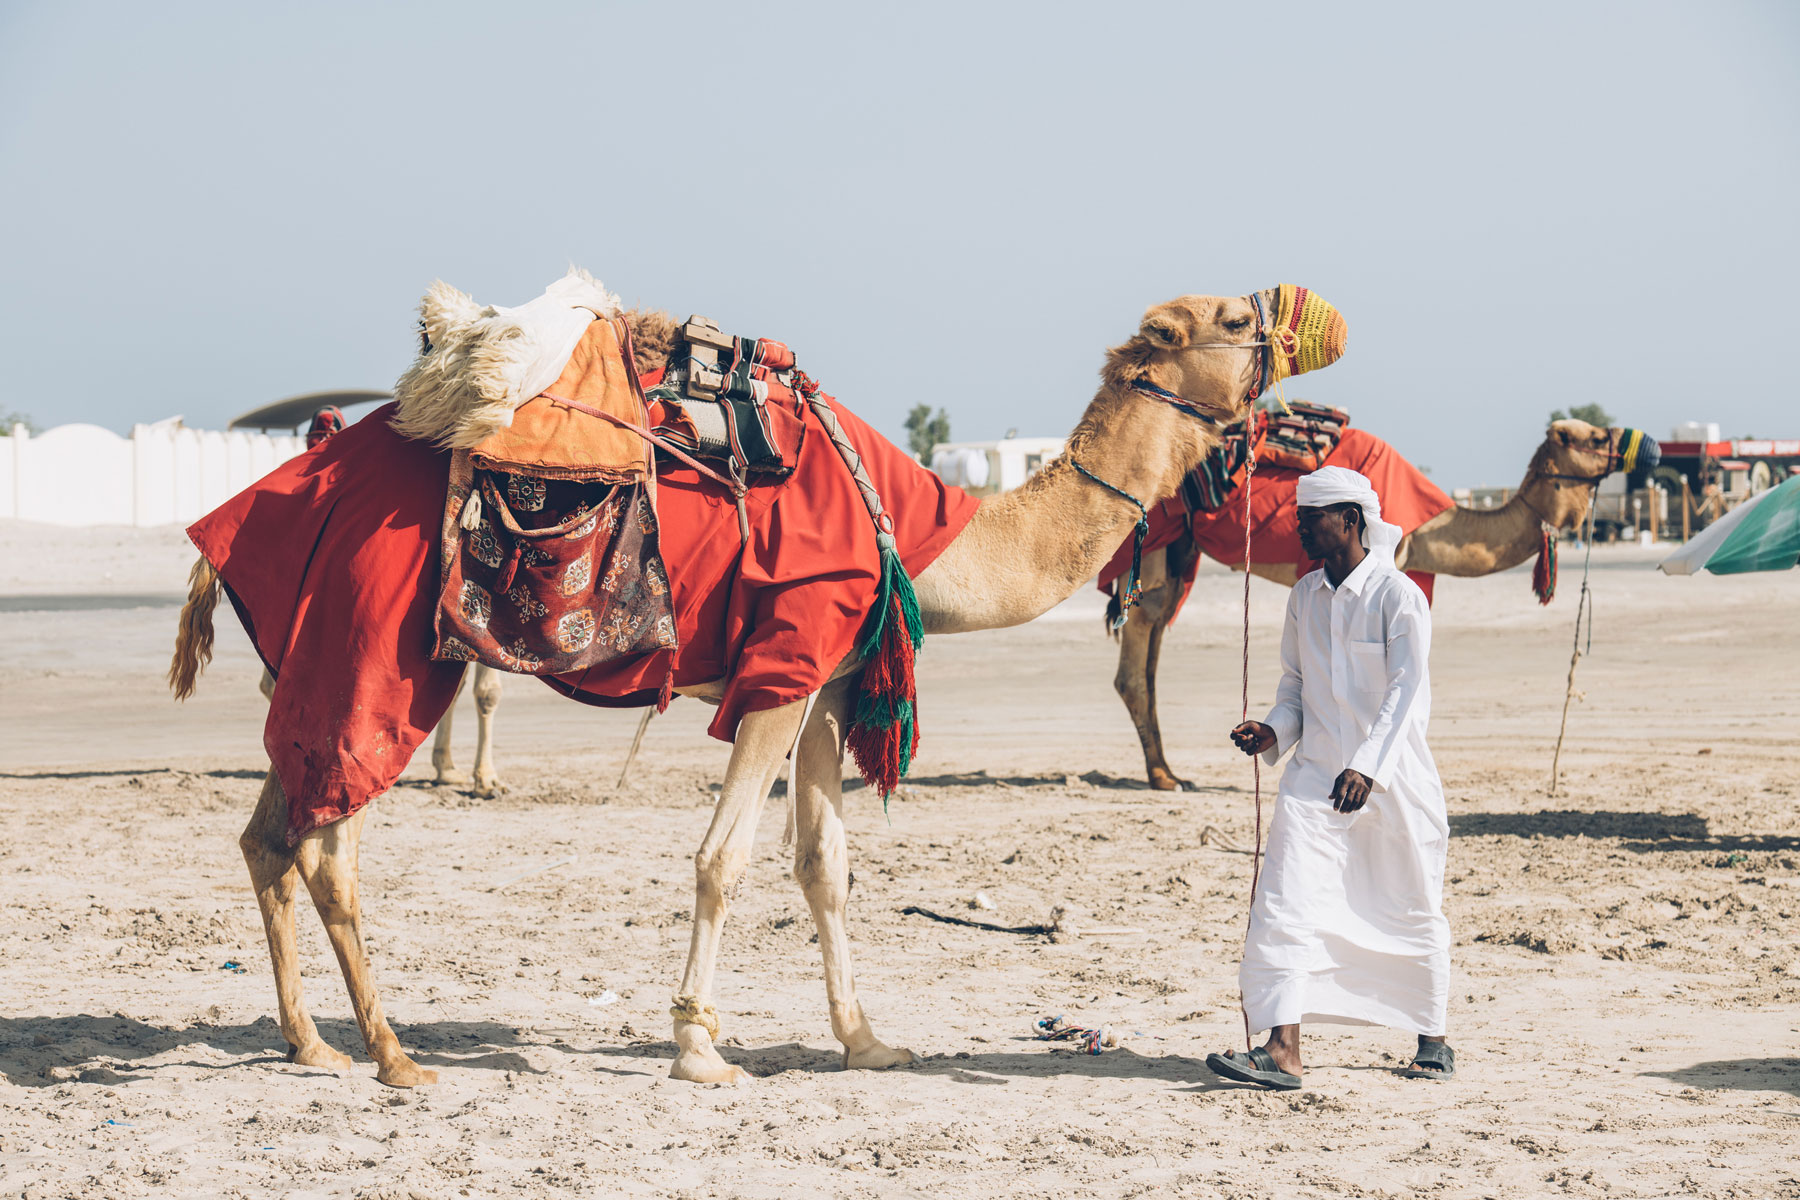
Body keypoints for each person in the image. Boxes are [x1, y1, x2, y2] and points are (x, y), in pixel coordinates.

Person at [1208, 466, 1455, 1090]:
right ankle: (1282, 1049)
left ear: (1350, 520)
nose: (1298, 529)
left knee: (1409, 902)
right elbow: (1294, 687)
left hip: (1395, 783)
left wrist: (1367, 766)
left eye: (1309, 518)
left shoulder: (1400, 597)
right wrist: (1271, 731)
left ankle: (1432, 1037)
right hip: (1315, 778)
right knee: (1284, 900)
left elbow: (1405, 695)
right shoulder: (1304, 597)